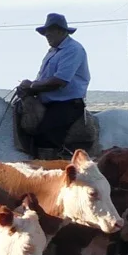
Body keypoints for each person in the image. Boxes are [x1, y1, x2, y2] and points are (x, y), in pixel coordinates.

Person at [16, 13, 91, 152]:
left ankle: (52, 167)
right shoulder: (53, 51)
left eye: (49, 31)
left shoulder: (73, 50)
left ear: (60, 31)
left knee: (46, 135)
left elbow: (59, 81)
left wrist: (31, 86)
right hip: (47, 102)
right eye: (45, 32)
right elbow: (44, 79)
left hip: (66, 104)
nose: (47, 35)